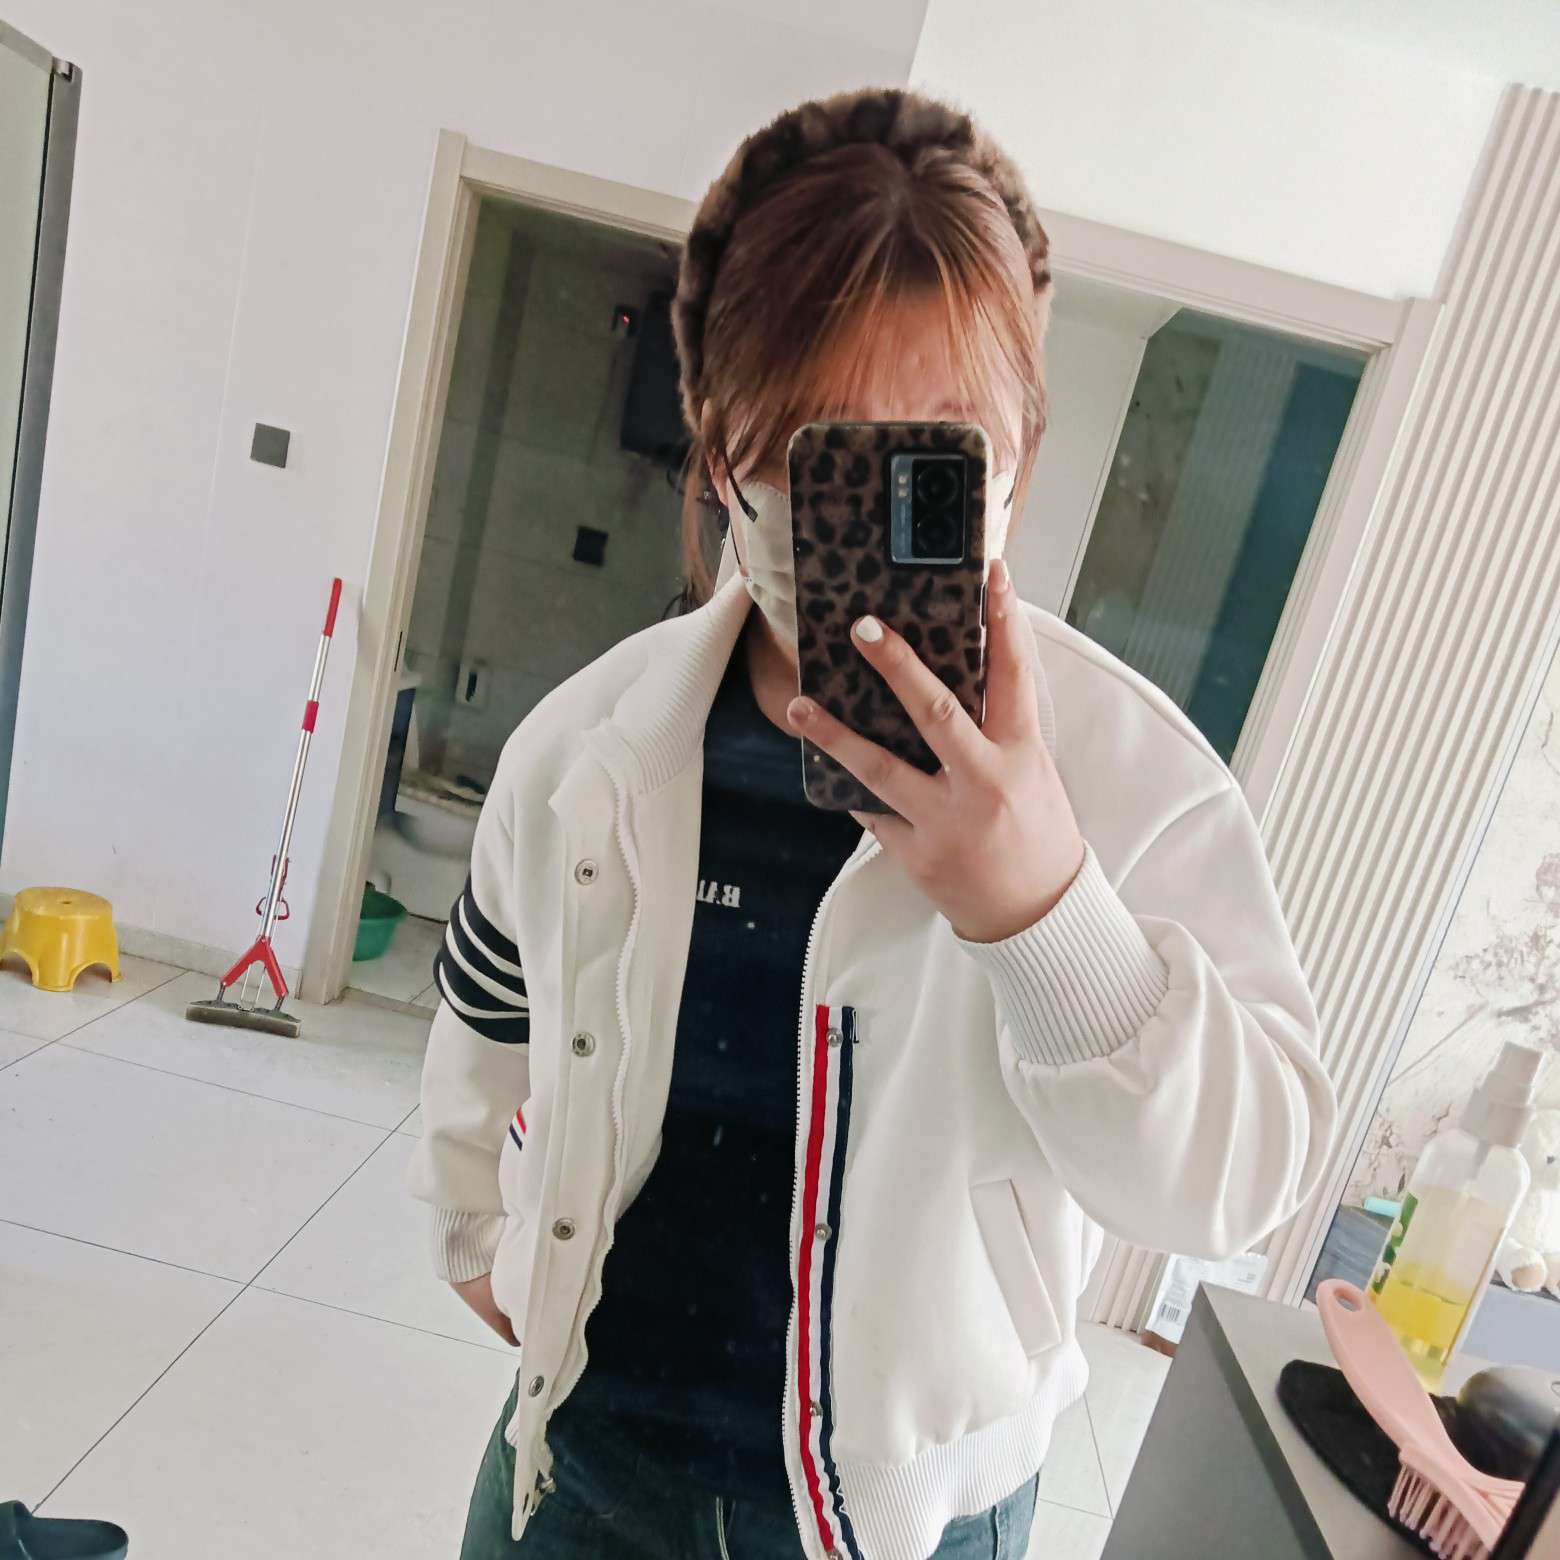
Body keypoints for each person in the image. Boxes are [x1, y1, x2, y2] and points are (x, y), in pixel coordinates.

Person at [409, 86, 1337, 1560]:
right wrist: (479, 1229)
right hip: (577, 1467)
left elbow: (1240, 1185)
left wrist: (1046, 911)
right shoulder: (590, 740)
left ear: (1019, 456)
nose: (858, 510)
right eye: (807, 448)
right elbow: (492, 1001)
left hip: (912, 1515)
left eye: (929, 457)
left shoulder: (1135, 775)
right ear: (720, 445)